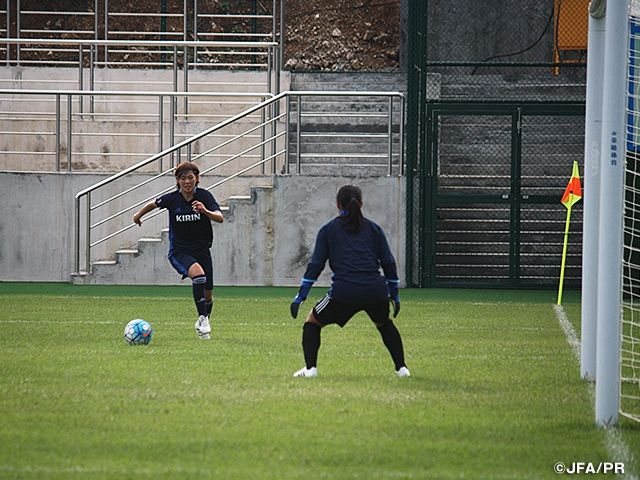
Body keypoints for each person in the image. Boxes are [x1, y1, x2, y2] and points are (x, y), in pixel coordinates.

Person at [290, 184, 410, 377]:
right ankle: (402, 369)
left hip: (344, 292)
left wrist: (301, 296)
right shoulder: (374, 229)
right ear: (361, 204)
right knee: (384, 324)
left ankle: (310, 369)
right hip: (375, 291)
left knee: (312, 322)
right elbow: (388, 263)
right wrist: (394, 296)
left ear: (337, 204)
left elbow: (316, 265)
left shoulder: (328, 230)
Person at [133, 162, 224, 339]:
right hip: (180, 252)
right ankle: (203, 318)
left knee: (208, 295)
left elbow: (220, 218)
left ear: (197, 178)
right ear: (177, 180)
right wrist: (137, 216)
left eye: (190, 177)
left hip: (203, 251)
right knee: (199, 277)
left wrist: (205, 211)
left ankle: (203, 323)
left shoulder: (204, 196)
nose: (187, 181)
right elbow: (153, 204)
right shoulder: (172, 199)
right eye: (183, 178)